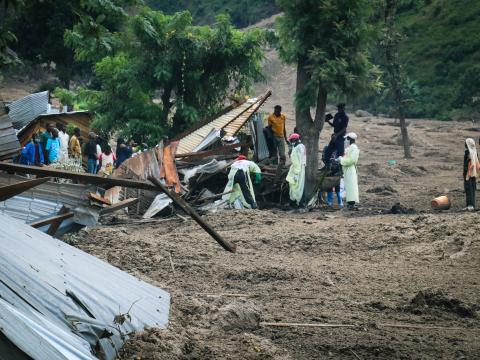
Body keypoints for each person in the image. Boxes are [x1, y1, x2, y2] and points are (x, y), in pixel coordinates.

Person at [339, 132, 360, 210]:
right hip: (347, 169)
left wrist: (341, 160)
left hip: (350, 169)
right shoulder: (350, 148)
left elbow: (351, 160)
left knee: (351, 186)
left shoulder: (354, 148)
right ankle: (350, 203)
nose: (345, 140)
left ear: (349, 139)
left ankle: (351, 204)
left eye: (346, 139)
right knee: (348, 186)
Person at [286, 133, 306, 206]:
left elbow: (296, 161)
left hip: (297, 169)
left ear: (295, 140)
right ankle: (299, 203)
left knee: (295, 187)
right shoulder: (302, 146)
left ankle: (295, 203)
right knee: (300, 186)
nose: (291, 142)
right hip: (302, 168)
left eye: (291, 140)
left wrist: (296, 173)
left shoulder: (297, 148)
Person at [463, 138, 480, 211]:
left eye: (465, 143)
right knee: (472, 188)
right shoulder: (475, 152)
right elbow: (477, 164)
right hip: (474, 174)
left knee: (468, 189)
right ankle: (472, 205)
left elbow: (470, 164)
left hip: (468, 174)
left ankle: (469, 205)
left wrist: (468, 173)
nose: (465, 144)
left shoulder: (468, 152)